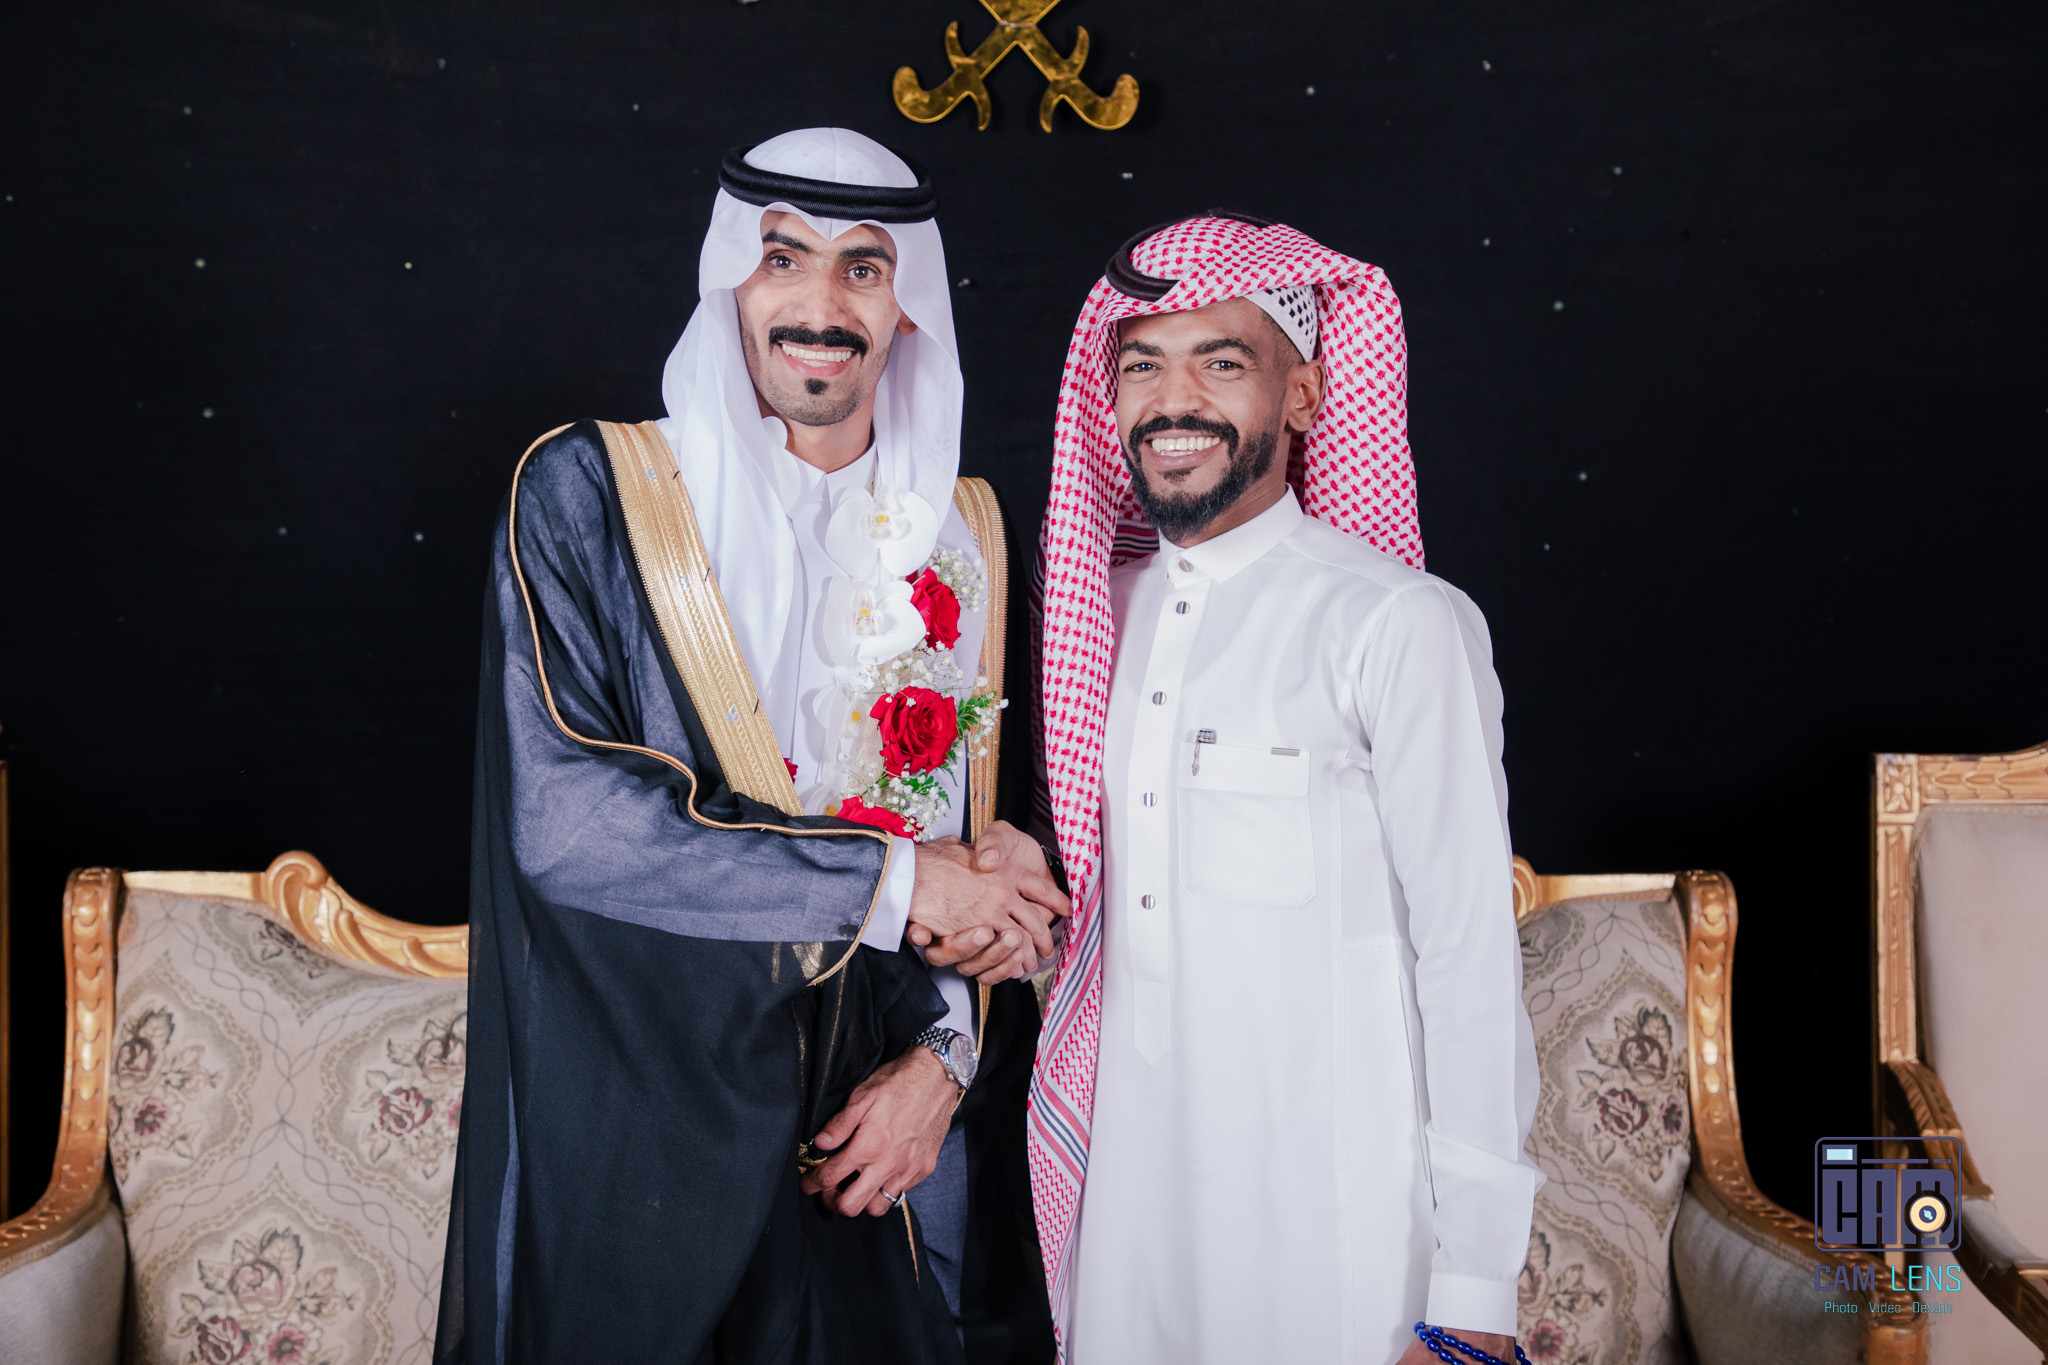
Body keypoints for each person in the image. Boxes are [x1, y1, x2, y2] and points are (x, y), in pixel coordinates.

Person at [436, 127, 1065, 1365]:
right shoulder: (594, 494)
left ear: (908, 305)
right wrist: (898, 884)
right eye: (784, 258)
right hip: (651, 1133)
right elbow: (570, 827)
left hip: (887, 1149)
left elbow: (1009, 861)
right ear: (732, 275)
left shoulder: (969, 536)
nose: (820, 306)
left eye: (863, 268)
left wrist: (943, 1065)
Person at [1027, 213, 1542, 1364]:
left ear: (1303, 395)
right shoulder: (1096, 623)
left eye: (1220, 362)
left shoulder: (1395, 623)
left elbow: (1467, 961)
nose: (1172, 401)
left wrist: (1472, 1290)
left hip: (1337, 1237)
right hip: (1131, 1228)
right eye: (1142, 366)